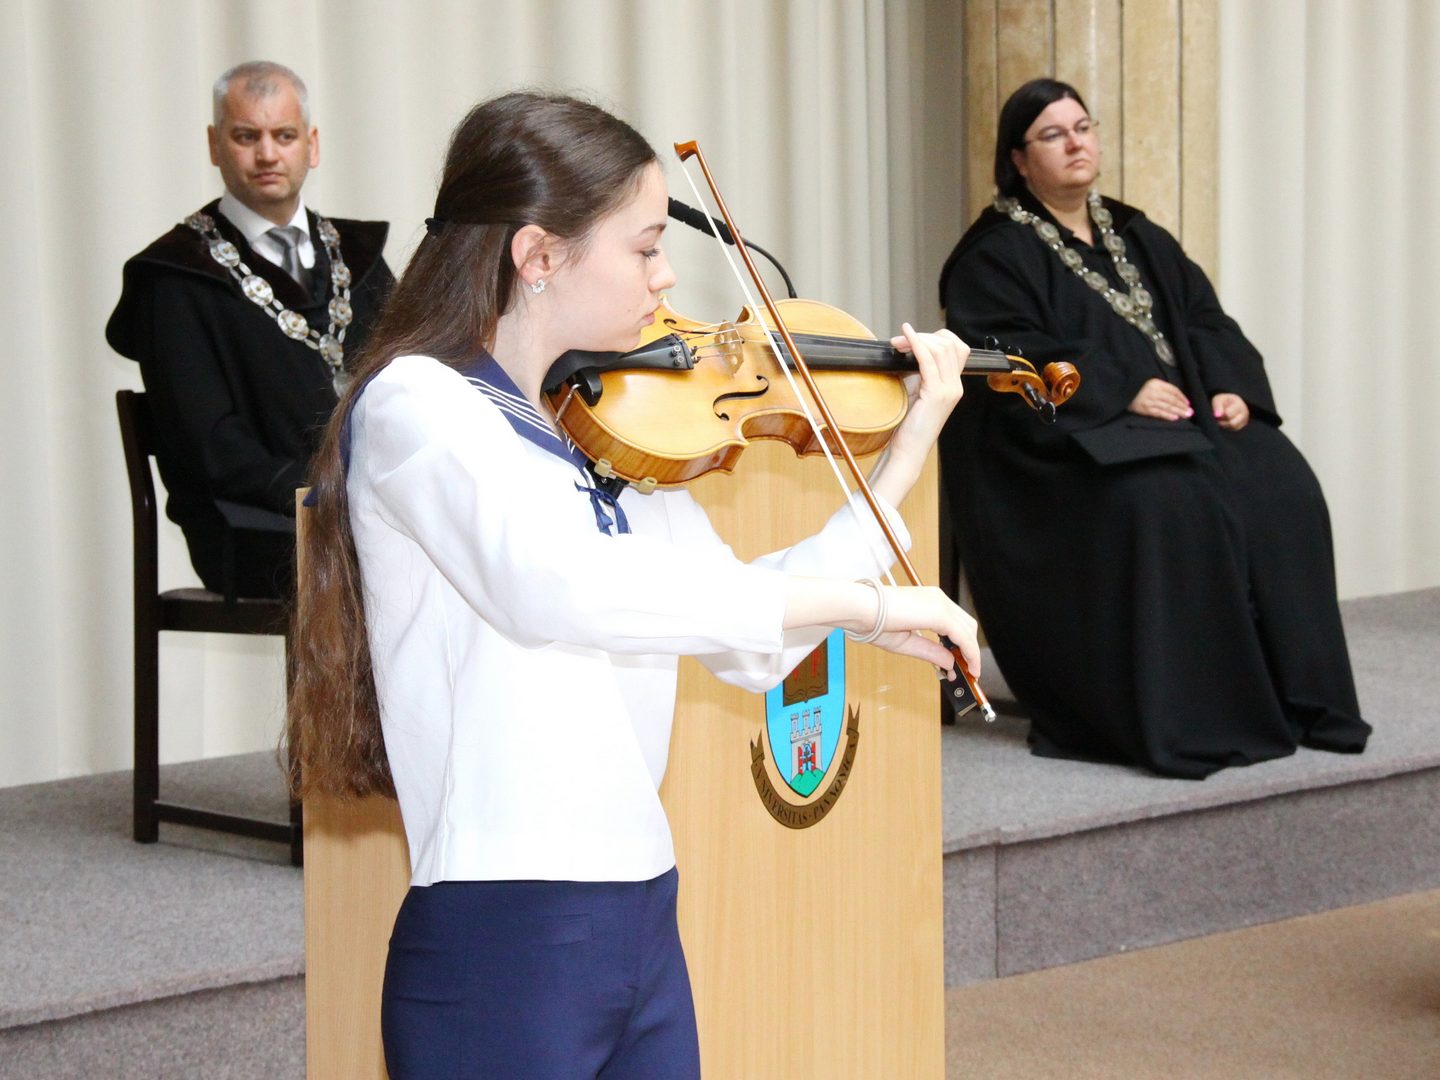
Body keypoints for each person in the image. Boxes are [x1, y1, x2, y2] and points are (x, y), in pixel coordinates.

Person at [288, 91, 978, 1080]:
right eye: (646, 247)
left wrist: (904, 455)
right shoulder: (420, 406)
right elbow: (559, 589)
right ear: (539, 255)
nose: (667, 278)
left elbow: (749, 642)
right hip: (505, 929)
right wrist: (869, 606)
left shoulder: (613, 430)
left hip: (643, 908)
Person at [936, 77, 1370, 780]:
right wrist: (1117, 390)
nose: (1076, 143)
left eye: (1083, 128)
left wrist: (1229, 388)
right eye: (1053, 135)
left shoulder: (1137, 234)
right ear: (1018, 159)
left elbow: (1204, 319)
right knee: (1168, 500)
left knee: (1280, 485)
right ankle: (1196, 714)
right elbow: (1003, 359)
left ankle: (1296, 701)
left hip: (1180, 421)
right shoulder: (993, 254)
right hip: (1055, 447)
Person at [107, 60, 394, 599]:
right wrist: (325, 495)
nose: (267, 154)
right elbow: (210, 444)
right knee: (413, 561)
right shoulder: (176, 277)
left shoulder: (360, 260)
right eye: (246, 136)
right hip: (253, 523)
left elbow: (411, 385)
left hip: (363, 508)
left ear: (311, 145)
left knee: (472, 539)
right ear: (215, 145)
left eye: (284, 135)